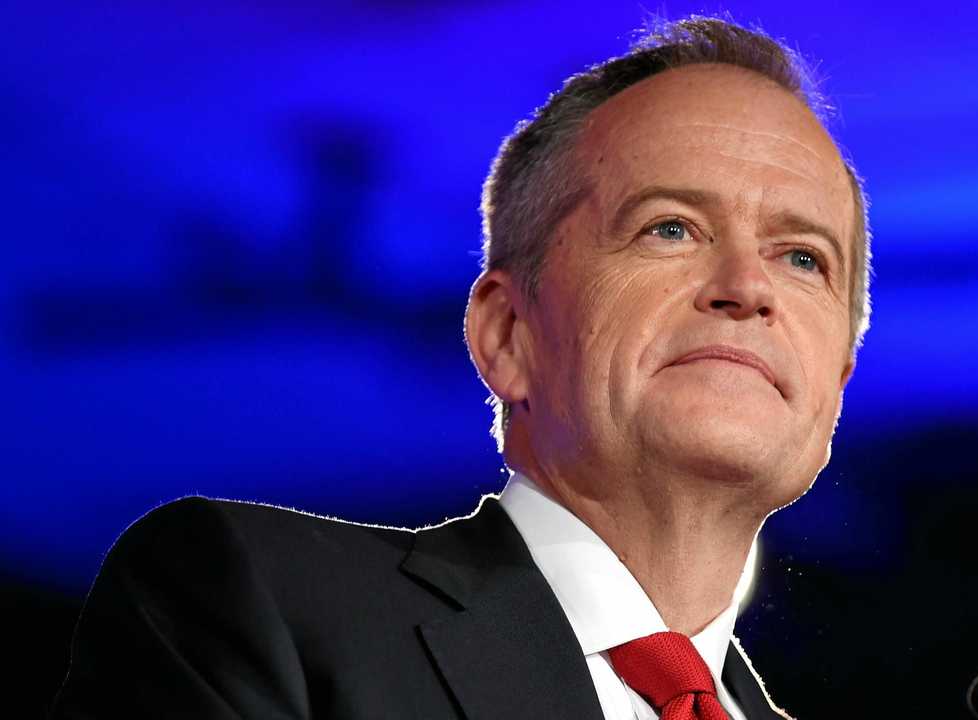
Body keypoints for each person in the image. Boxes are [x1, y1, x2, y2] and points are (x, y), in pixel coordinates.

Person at [52, 15, 870, 720]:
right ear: (508, 333)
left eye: (803, 257)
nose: (748, 288)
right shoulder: (261, 604)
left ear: (833, 388)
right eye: (671, 229)